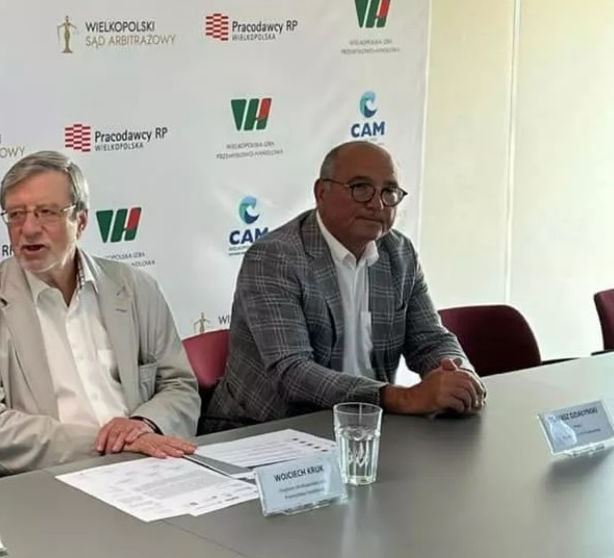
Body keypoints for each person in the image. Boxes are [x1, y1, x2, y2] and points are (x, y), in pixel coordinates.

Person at [0, 151, 200, 475]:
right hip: (49, 479)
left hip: (149, 465)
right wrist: (109, 443)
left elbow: (179, 385)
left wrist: (143, 424)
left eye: (46, 212)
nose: (29, 229)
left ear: (81, 221)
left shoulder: (136, 288)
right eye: (16, 215)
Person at [201, 141, 486, 433]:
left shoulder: (399, 253)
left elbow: (429, 339)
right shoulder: (275, 257)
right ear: (321, 193)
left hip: (367, 426)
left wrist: (458, 376)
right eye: (360, 188)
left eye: (389, 192)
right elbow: (293, 374)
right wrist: (402, 397)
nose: (377, 204)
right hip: (267, 430)